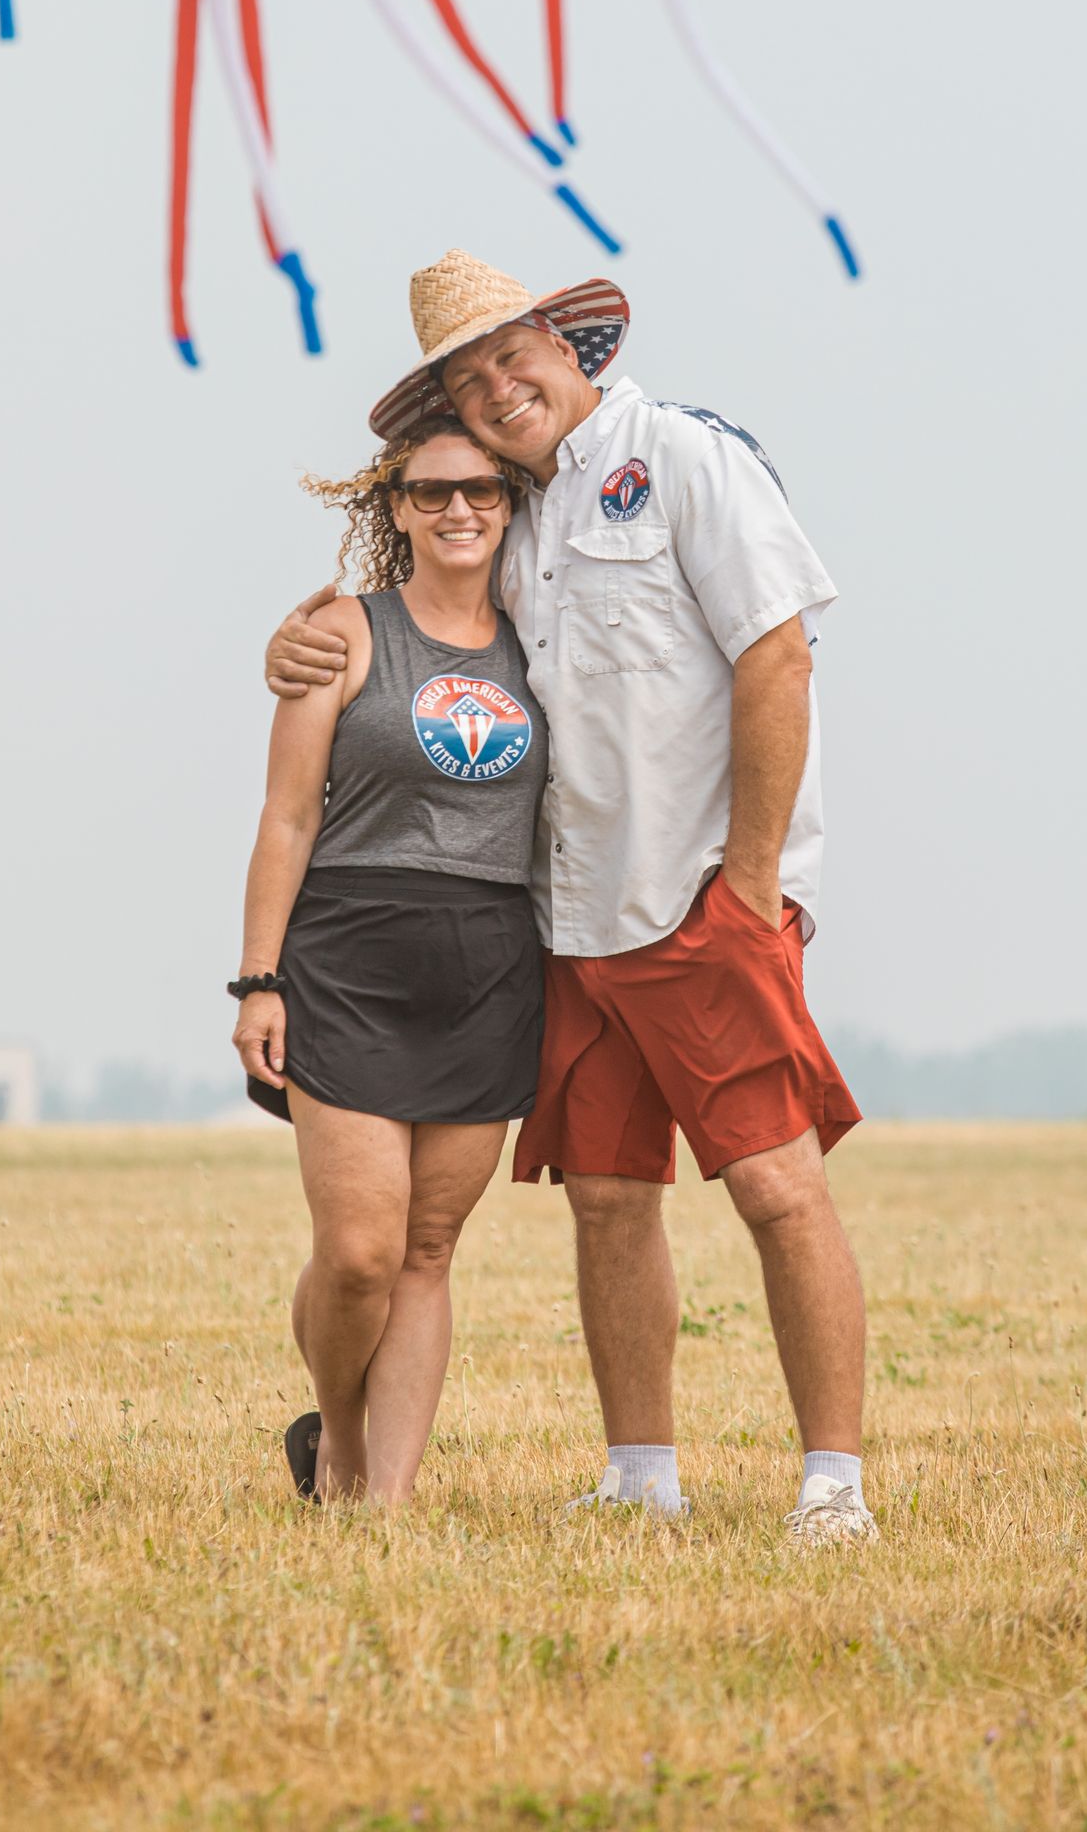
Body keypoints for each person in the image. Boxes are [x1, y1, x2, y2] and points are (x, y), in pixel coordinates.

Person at [265, 251, 875, 1544]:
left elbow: (778, 659)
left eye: (513, 356)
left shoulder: (689, 459)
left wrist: (752, 885)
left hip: (704, 903)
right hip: (569, 921)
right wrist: (294, 643)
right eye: (469, 380)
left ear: (568, 345)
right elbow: (423, 642)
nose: (499, 389)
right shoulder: (519, 509)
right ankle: (640, 1472)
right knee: (606, 1199)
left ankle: (834, 1484)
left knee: (777, 1189)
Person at [231, 413, 545, 1506]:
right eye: (431, 493)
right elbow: (285, 819)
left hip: (494, 962)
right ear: (395, 510)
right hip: (350, 954)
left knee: (428, 1250)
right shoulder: (343, 633)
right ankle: (343, 1441)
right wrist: (257, 981)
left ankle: (386, 1503)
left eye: (483, 492)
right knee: (361, 1251)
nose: (459, 510)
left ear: (512, 505)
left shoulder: (545, 637)